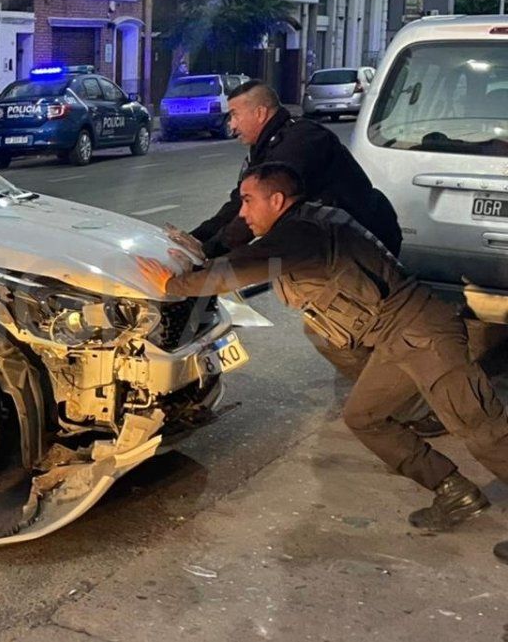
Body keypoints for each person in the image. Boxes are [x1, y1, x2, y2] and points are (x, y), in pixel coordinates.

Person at [136, 162, 508, 564]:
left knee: (482, 427)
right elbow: (253, 261)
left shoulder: (300, 234)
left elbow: (235, 273)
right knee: (365, 417)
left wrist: (172, 284)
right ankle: (454, 491)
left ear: (276, 200)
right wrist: (199, 259)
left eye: (248, 201)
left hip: (422, 333)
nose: (242, 212)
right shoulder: (304, 226)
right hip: (396, 336)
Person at [165, 80, 446, 437]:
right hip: (334, 254)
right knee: (341, 332)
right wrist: (199, 240)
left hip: (363, 247)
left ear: (260, 112)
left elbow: (254, 214)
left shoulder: (299, 143)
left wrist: (206, 255)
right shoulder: (268, 148)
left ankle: (425, 407)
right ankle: (406, 401)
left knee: (359, 331)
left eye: (235, 114)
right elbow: (240, 204)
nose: (231, 124)